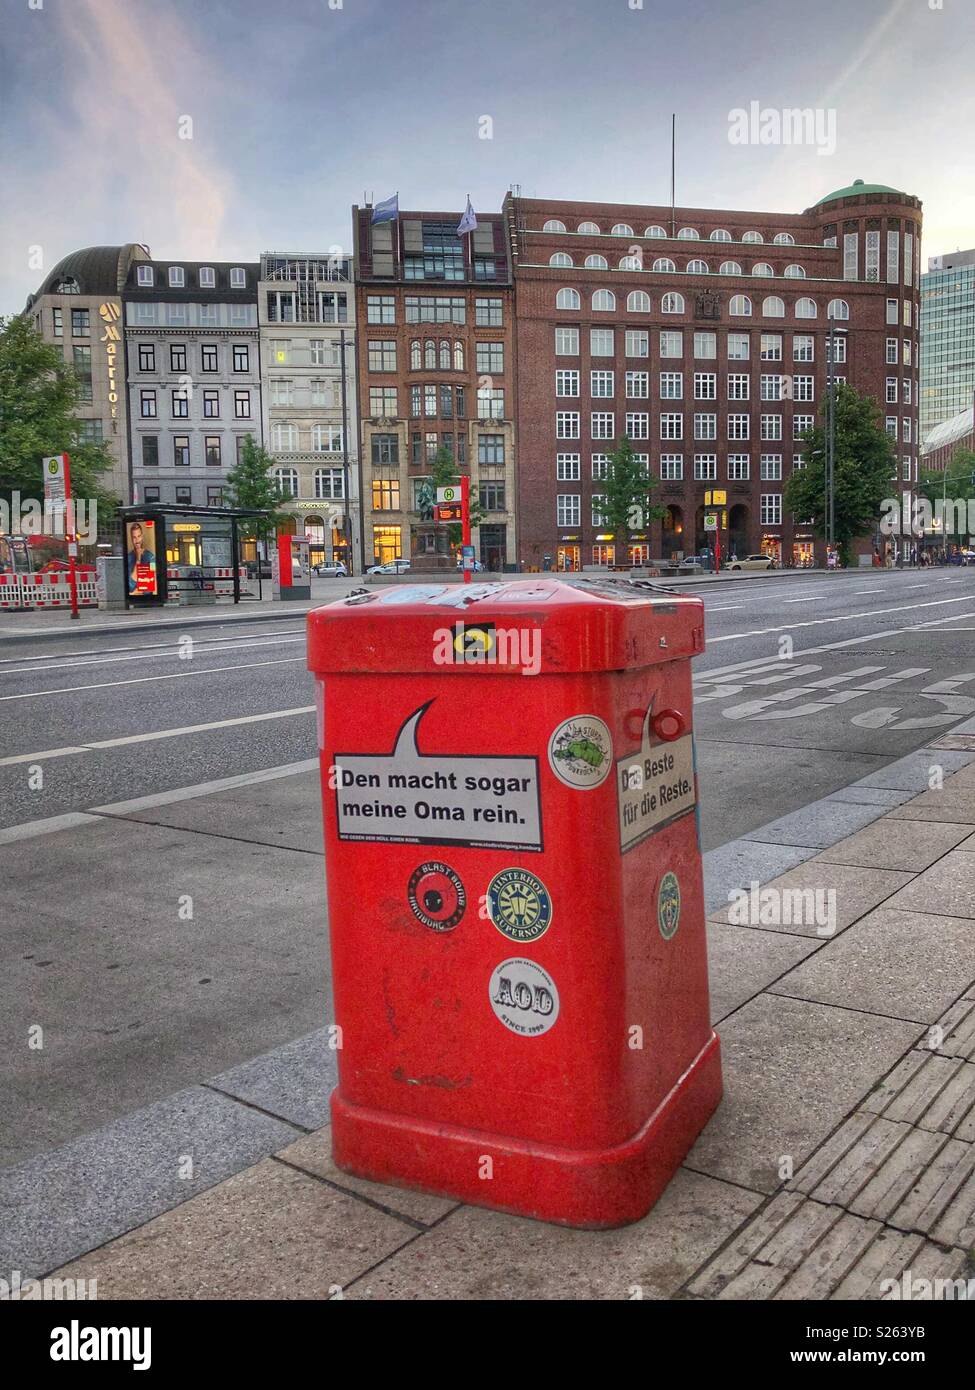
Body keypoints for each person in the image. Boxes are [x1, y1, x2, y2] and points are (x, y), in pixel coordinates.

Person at [127, 522, 156, 594]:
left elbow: (151, 580)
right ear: (131, 538)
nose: (137, 540)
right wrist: (138, 559)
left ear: (142, 536)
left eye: (139, 536)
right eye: (134, 537)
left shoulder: (151, 557)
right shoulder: (128, 558)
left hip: (148, 598)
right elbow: (130, 586)